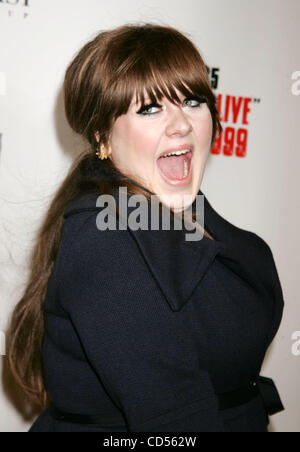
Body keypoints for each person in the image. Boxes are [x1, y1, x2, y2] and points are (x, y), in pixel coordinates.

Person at [6, 23, 284, 432]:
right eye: (150, 108)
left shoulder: (186, 216)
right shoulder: (105, 238)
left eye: (192, 101)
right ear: (102, 136)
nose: (181, 125)